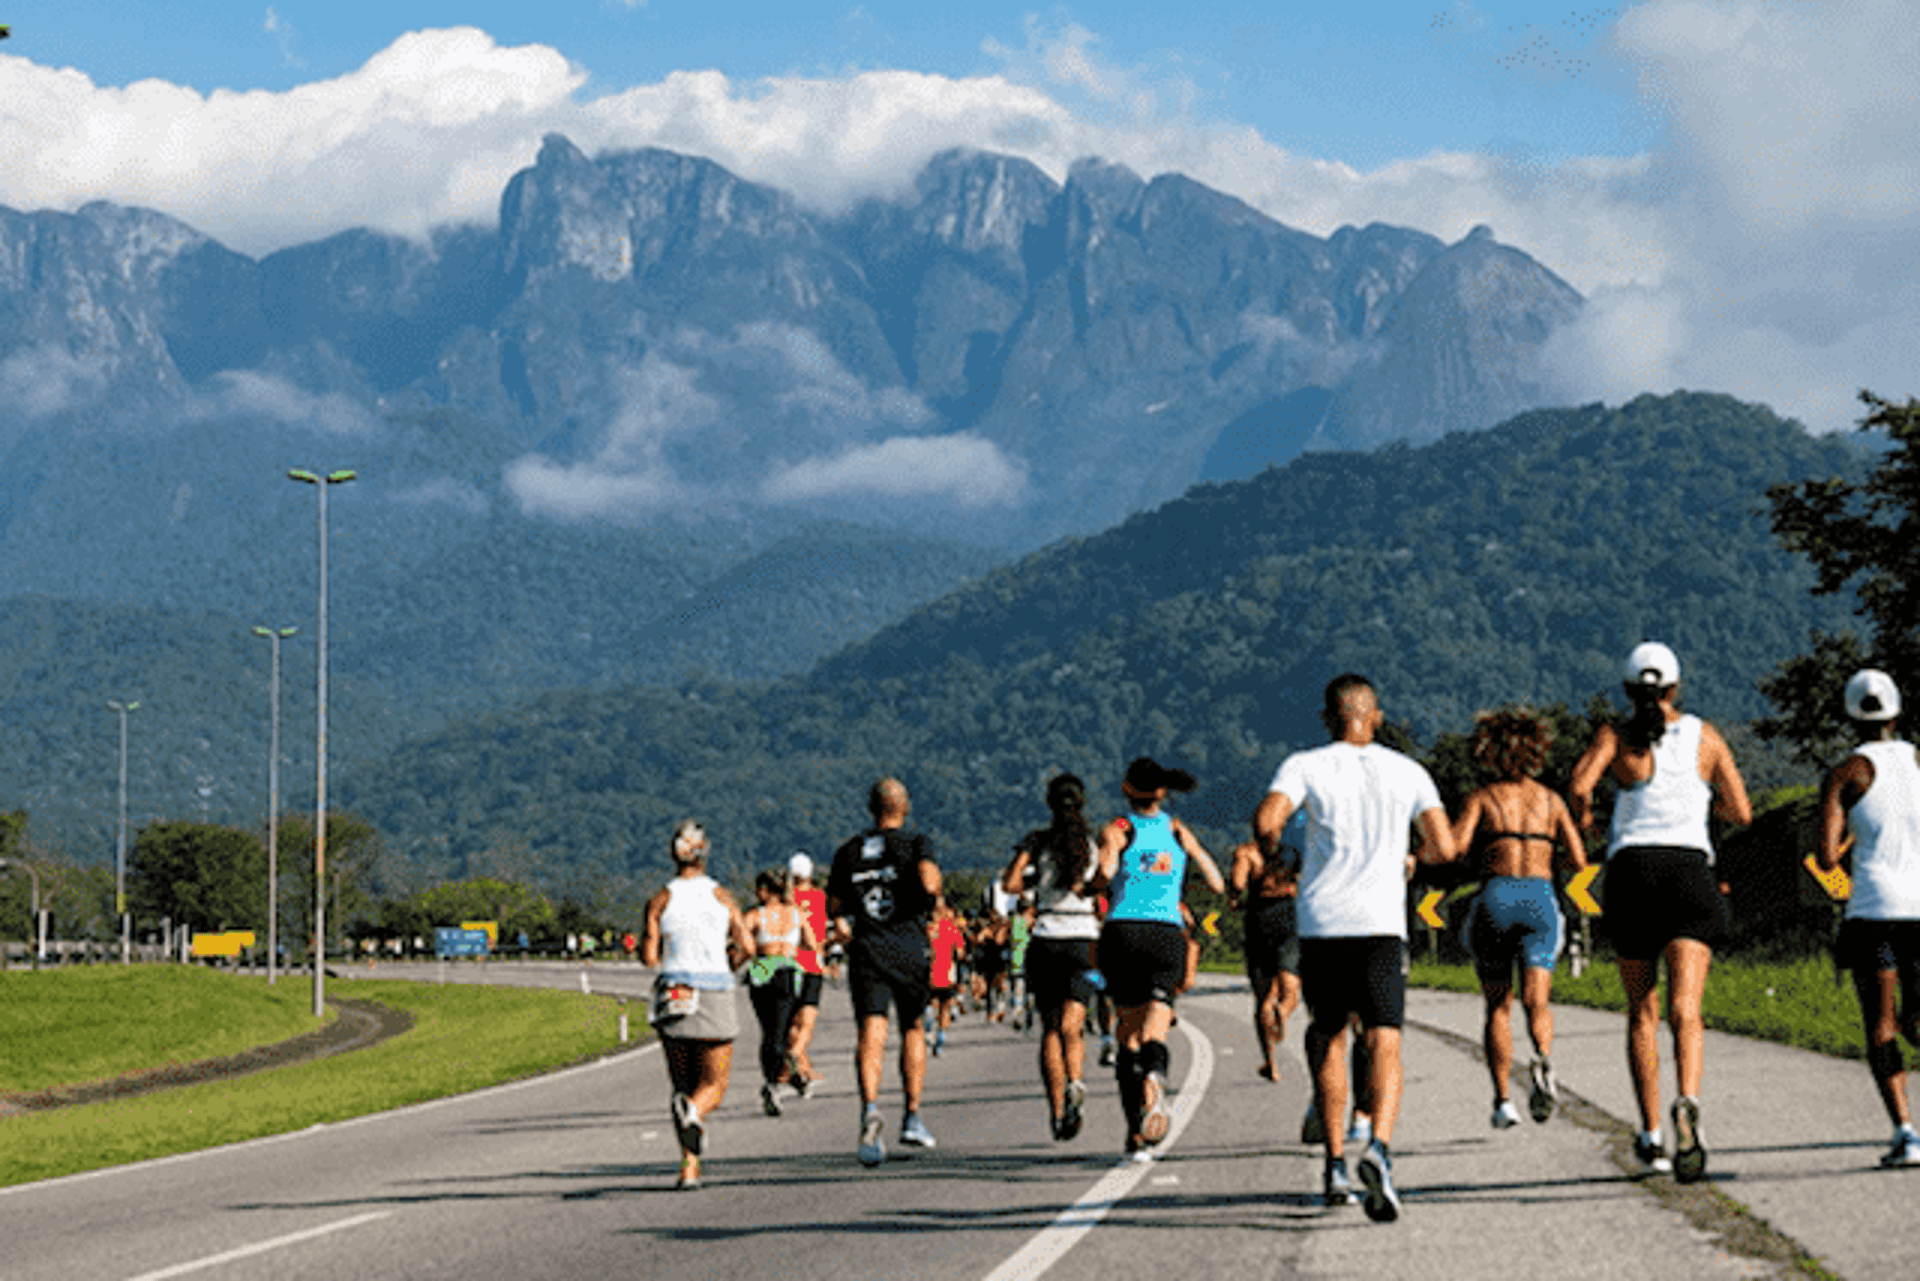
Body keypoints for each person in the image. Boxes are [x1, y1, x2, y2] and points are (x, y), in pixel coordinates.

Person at [1254, 674, 1458, 1223]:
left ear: (1329, 718)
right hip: (1380, 925)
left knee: (1329, 1038)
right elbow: (1446, 844)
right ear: (1378, 716)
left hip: (1322, 924)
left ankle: (1336, 1164)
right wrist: (1410, 858)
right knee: (1385, 1040)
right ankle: (1381, 1149)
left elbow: (1267, 819)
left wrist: (1275, 850)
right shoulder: (1408, 771)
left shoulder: (1305, 765)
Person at [1570, 641, 1751, 1182]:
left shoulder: (1614, 736)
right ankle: (1687, 1101)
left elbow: (1579, 785)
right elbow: (1740, 810)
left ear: (1629, 691)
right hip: (1690, 869)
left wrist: (1589, 822)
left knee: (1641, 1010)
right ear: (1675, 688)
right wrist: (1702, 802)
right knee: (1686, 1010)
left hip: (1633, 872)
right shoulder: (1706, 736)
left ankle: (1650, 1133)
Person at [1453, 705, 1589, 1129]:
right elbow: (1580, 860)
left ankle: (1502, 1100)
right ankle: (1544, 1059)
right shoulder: (1552, 801)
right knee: (1537, 1000)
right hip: (1540, 898)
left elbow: (1455, 845)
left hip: (1496, 896)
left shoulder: (1483, 798)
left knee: (1498, 1006)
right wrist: (1547, 854)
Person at [1089, 757, 1226, 1162]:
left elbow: (1104, 871)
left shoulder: (1118, 829)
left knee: (1126, 1035)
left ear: (1127, 789)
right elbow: (1216, 882)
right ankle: (1156, 1078)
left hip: (1122, 932)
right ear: (1163, 792)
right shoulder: (1177, 830)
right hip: (1166, 934)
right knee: (1155, 1028)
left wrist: (1094, 884)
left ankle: (1135, 1132)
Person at [1818, 669, 1920, 1168]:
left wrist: (1858, 835)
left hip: (1874, 910)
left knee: (1880, 1024)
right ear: (1896, 714)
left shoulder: (1847, 773)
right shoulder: (1919, 759)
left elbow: (1828, 856)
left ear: (1850, 716)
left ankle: (1906, 1132)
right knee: (1916, 1017)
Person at [826, 776, 944, 1166]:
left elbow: (835, 908)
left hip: (867, 949)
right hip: (909, 946)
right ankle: (912, 1115)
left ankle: (870, 1109)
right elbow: (928, 884)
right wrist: (932, 893)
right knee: (912, 1027)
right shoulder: (916, 843)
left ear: (871, 808)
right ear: (904, 807)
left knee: (871, 1029)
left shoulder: (848, 851)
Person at [640, 819, 754, 1190]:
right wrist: (730, 964)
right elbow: (748, 947)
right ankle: (696, 1114)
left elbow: (649, 956)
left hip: (674, 989)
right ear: (705, 853)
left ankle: (689, 1168)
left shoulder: (660, 900)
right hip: (714, 987)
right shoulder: (723, 897)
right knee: (713, 1086)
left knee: (682, 1084)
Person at [1003, 772, 1105, 1141]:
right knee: (1072, 1026)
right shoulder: (1091, 846)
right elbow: (1100, 884)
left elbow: (1009, 884)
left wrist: (1037, 882)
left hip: (1046, 938)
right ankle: (1076, 1080)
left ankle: (1058, 1111)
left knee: (1049, 1029)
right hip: (1083, 939)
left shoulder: (1037, 841)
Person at [1229, 815, 1304, 1084]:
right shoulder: (1293, 853)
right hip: (1289, 921)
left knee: (1263, 996)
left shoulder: (1246, 853)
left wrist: (1236, 897)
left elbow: (1237, 885)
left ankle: (1270, 1063)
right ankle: (1283, 1013)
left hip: (1258, 924)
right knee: (1290, 988)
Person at [742, 867, 821, 1118]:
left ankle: (774, 1080)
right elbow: (811, 943)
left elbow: (742, 943)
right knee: (782, 1030)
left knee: (770, 1033)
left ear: (765, 890)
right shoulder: (795, 914)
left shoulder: (755, 915)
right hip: (787, 972)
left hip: (761, 971)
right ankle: (782, 1079)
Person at [784, 851, 829, 1095]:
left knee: (793, 1020)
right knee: (808, 1018)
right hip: (812, 961)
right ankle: (797, 1054)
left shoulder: (786, 898)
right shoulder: (819, 897)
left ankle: (802, 1068)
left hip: (788, 962)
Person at [926, 900, 968, 1055]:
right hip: (948, 975)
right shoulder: (952, 930)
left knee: (931, 1003)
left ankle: (929, 1028)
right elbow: (960, 953)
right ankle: (940, 1039)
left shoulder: (927, 929)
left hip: (930, 973)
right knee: (945, 1007)